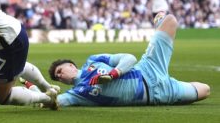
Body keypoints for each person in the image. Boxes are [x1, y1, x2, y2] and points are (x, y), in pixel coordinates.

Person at [28, 12, 210, 107]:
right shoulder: (77, 94)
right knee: (205, 90)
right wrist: (32, 88)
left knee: (169, 20)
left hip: (148, 68)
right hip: (159, 95)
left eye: (60, 71)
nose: (60, 77)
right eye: (58, 78)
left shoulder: (94, 60)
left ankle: (158, 21)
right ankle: (173, 82)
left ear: (70, 66)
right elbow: (54, 101)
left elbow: (129, 58)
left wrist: (114, 73)